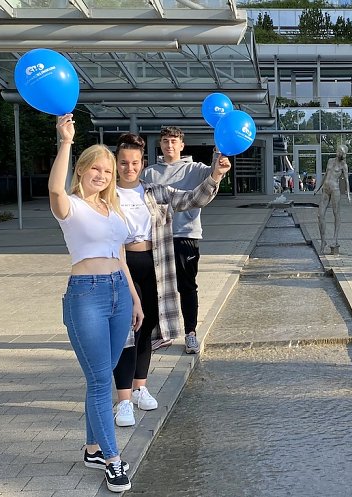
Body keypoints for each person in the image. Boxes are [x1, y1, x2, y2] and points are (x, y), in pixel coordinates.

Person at [49, 114, 143, 493]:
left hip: (120, 293)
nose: (103, 175)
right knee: (101, 380)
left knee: (102, 377)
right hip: (86, 294)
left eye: (108, 171)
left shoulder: (112, 209)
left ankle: (91, 448)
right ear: (83, 171)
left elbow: (119, 255)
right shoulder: (70, 206)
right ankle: (112, 460)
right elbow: (55, 189)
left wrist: (135, 299)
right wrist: (65, 142)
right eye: (96, 169)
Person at [111, 132, 229, 427]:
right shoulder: (107, 195)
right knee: (128, 329)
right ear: (117, 162)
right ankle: (123, 401)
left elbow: (192, 199)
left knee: (147, 327)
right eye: (124, 162)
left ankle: (140, 387)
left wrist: (215, 174)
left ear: (142, 163)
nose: (129, 167)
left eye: (134, 162)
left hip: (153, 263)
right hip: (122, 265)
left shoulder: (153, 191)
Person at [142, 126, 231, 354]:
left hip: (186, 236)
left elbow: (215, 172)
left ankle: (190, 333)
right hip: (159, 238)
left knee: (187, 286)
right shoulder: (150, 173)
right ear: (160, 145)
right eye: (165, 141)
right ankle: (161, 334)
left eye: (173, 141)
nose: (169, 145)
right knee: (156, 288)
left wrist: (219, 153)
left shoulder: (195, 169)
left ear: (182, 145)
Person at [314, 143, 350, 254]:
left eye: (340, 152)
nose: (337, 152)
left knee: (336, 213)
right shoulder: (330, 161)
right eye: (337, 150)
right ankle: (323, 240)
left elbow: (347, 180)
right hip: (325, 189)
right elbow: (325, 175)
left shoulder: (344, 165)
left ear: (343, 154)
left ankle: (335, 238)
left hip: (335, 190)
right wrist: (317, 187)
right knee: (320, 215)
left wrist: (348, 194)